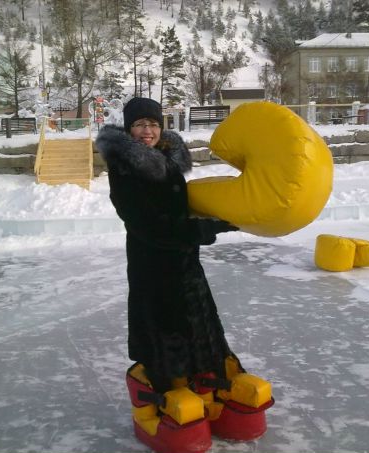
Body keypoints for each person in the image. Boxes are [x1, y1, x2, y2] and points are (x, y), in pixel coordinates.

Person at [95, 98, 272, 453]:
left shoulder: (166, 160)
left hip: (185, 263)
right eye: (140, 124)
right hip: (153, 267)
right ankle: (165, 392)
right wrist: (203, 230)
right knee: (167, 334)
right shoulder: (124, 169)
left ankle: (209, 385)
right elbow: (148, 225)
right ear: (129, 129)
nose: (147, 131)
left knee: (200, 326)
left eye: (153, 124)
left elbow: (181, 208)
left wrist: (218, 216)